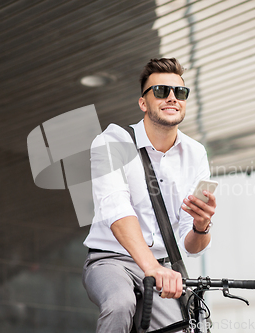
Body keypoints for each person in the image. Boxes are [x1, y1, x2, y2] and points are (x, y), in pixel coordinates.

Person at [82, 57, 216, 333]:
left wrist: (202, 227)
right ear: (143, 102)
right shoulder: (112, 142)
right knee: (120, 303)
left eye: (179, 92)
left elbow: (190, 247)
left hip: (165, 267)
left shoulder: (196, 153)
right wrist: (152, 268)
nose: (171, 98)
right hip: (111, 260)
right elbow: (117, 212)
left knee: (184, 326)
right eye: (160, 91)